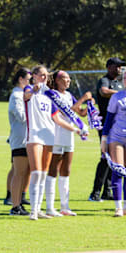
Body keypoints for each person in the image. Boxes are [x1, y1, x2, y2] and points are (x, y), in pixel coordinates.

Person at [24, 66, 86, 220]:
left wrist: (77, 129)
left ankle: (39, 209)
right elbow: (26, 95)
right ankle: (33, 211)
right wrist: (33, 90)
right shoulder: (30, 89)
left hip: (49, 136)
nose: (44, 78)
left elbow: (57, 118)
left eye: (46, 75)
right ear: (34, 76)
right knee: (36, 172)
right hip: (34, 135)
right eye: (41, 75)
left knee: (44, 173)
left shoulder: (50, 95)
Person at [45, 70, 91, 217]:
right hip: (57, 134)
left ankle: (65, 206)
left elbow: (78, 112)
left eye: (69, 79)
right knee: (53, 169)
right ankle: (50, 206)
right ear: (57, 80)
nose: (68, 81)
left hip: (69, 136)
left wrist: (89, 106)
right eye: (64, 78)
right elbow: (65, 112)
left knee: (66, 170)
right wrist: (83, 98)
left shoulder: (69, 95)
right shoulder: (53, 95)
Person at [89, 57, 126, 202]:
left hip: (119, 126)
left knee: (117, 162)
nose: (119, 69)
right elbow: (103, 91)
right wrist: (117, 95)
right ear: (109, 67)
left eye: (120, 67)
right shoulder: (105, 80)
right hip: (106, 124)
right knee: (105, 158)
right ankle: (95, 192)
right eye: (117, 66)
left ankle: (108, 191)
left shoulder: (119, 83)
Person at [8, 68, 32, 216]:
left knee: (25, 172)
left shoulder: (23, 95)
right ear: (21, 79)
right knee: (19, 172)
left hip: (29, 138)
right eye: (28, 79)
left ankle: (20, 203)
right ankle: (15, 205)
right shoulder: (17, 95)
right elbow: (22, 116)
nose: (30, 83)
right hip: (20, 138)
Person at [103, 68, 126, 216]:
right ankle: (118, 207)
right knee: (118, 170)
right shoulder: (117, 97)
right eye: (125, 78)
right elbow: (108, 120)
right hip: (116, 138)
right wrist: (104, 140)